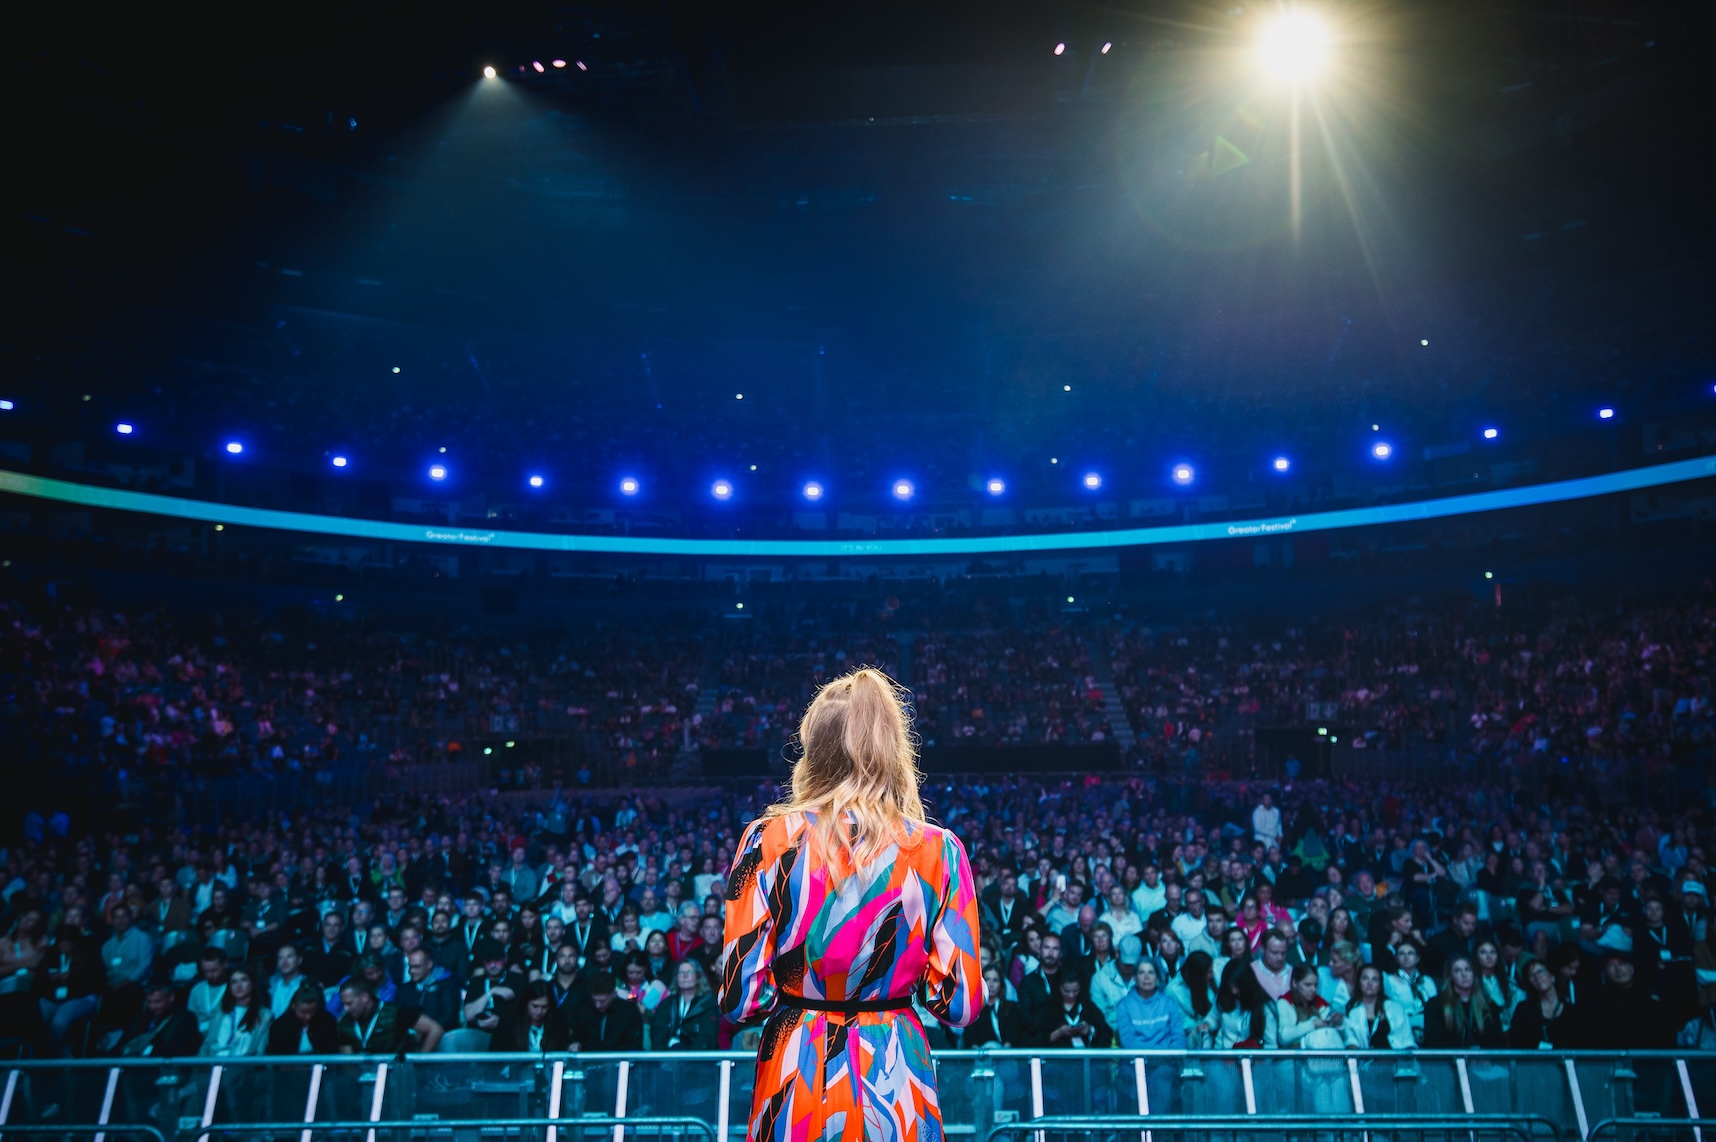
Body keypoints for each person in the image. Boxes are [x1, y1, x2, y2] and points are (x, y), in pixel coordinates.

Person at [719, 668, 981, 1142]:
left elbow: (741, 1001)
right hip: (897, 1076)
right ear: (892, 746)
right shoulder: (940, 851)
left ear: (814, 747)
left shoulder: (767, 841)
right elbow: (959, 1005)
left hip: (797, 1072)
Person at [336, 978, 443, 1054]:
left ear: (365, 997)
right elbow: (348, 1061)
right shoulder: (346, 1023)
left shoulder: (395, 1012)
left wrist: (420, 1061)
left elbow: (435, 1029)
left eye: (349, 1003)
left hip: (398, 1073)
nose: (345, 1009)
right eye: (343, 1004)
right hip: (364, 1076)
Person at [1422, 955, 1504, 1049]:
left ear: (1474, 974)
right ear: (1450, 976)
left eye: (1468, 970)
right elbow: (1434, 1041)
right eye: (1457, 971)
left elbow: (1498, 1042)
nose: (1464, 974)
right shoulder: (1435, 1005)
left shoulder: (1489, 1006)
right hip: (1448, 1061)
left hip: (1484, 1061)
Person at [649, 959, 719, 1050]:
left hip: (696, 1057)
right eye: (681, 972)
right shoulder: (667, 1004)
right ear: (676, 978)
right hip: (667, 1056)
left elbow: (706, 1037)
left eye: (689, 972)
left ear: (698, 977)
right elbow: (658, 1033)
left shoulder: (708, 1004)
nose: (685, 976)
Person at [1271, 963, 1344, 1049]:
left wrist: (1337, 1022)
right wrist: (1313, 1024)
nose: (1313, 989)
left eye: (1316, 985)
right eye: (1308, 985)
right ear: (1295, 983)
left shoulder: (1321, 1004)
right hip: (1292, 1059)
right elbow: (1283, 1037)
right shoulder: (1284, 1003)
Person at [1115, 961, 1185, 1048]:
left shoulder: (1169, 1003)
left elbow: (1179, 1037)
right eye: (1141, 973)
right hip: (1136, 1059)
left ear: (1158, 978)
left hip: (1167, 1059)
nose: (1146, 977)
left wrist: (1166, 1057)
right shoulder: (1124, 1005)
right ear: (1135, 979)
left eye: (1151, 972)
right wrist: (1155, 1055)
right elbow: (1128, 1041)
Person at [200, 966, 268, 1057]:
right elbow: (207, 1044)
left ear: (252, 984)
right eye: (234, 982)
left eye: (244, 980)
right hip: (215, 1063)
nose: (239, 985)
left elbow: (260, 1051)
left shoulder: (264, 1015)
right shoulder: (219, 1014)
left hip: (244, 1066)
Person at [1342, 965, 1414, 1050]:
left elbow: (1408, 1041)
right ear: (1359, 983)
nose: (1369, 983)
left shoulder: (1395, 1008)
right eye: (1365, 978)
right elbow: (1350, 1040)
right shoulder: (1352, 1010)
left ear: (1380, 985)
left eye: (1374, 979)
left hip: (1395, 1060)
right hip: (1365, 1061)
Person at [569, 970, 644, 1050]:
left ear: (614, 994)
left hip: (620, 1059)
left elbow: (634, 1043)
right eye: (595, 1000)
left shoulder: (629, 1011)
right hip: (589, 1059)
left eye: (602, 1001)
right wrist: (576, 1043)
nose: (598, 1005)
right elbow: (577, 1035)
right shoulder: (584, 1009)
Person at [489, 980, 571, 1052]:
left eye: (544, 1007)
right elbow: (496, 1053)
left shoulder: (558, 1021)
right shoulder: (509, 1021)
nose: (539, 1011)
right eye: (535, 1006)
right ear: (526, 1003)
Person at [1509, 959, 1574, 1049]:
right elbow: (1515, 1043)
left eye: (1540, 971)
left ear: (1552, 976)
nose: (1537, 977)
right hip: (1532, 1061)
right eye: (1531, 975)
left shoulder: (1572, 1011)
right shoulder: (1523, 1009)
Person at [267, 984, 342, 1054]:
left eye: (312, 1011)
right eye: (303, 1012)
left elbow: (332, 1051)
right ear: (294, 1006)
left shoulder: (327, 1022)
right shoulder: (280, 1026)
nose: (308, 1016)